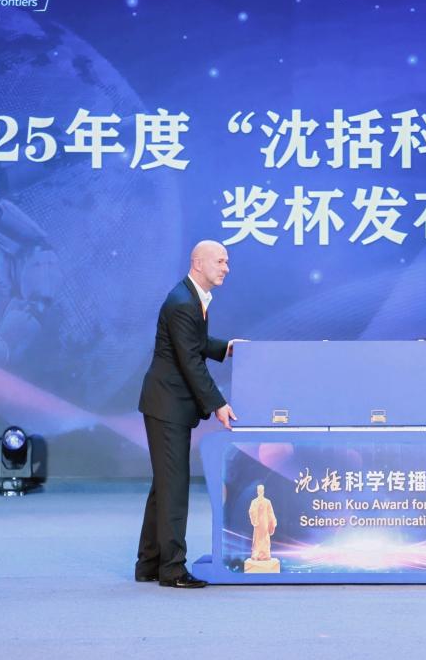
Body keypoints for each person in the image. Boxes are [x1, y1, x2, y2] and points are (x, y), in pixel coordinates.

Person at [135, 240, 242, 589]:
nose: (226, 268)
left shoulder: (190, 297)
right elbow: (190, 362)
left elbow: (194, 344)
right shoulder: (183, 302)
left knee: (164, 485)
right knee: (174, 486)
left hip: (167, 403)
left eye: (227, 262)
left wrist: (226, 348)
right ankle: (172, 569)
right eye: (220, 261)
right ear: (198, 263)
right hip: (167, 404)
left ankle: (149, 563)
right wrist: (218, 404)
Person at [248, 484, 277, 561]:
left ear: (263, 491)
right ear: (257, 491)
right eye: (259, 491)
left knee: (265, 538)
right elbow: (251, 511)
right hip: (257, 523)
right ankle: (256, 554)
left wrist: (273, 521)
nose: (260, 492)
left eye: (261, 491)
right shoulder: (254, 502)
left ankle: (265, 554)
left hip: (265, 522)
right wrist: (255, 517)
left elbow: (270, 512)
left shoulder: (267, 502)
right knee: (257, 538)